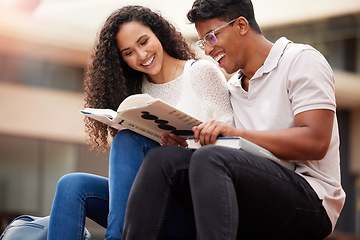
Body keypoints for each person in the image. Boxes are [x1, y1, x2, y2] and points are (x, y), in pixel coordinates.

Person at [121, 0, 346, 239]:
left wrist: (236, 134)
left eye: (211, 37)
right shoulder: (234, 88)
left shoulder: (300, 60)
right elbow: (236, 158)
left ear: (240, 25)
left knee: (211, 159)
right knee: (163, 159)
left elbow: (316, 142)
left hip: (312, 200)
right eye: (203, 41)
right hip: (254, 190)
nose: (207, 50)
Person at [47, 5, 234, 240]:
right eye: (128, 52)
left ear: (158, 33)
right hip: (149, 204)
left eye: (144, 42)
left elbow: (233, 150)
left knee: (128, 139)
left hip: (194, 204)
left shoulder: (201, 72)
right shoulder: (136, 95)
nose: (141, 55)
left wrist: (185, 150)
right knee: (72, 185)